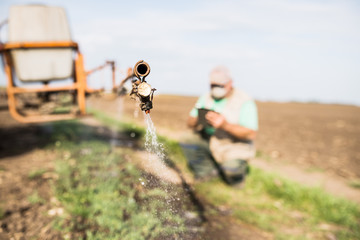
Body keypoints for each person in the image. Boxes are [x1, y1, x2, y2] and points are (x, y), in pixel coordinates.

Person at [187, 66, 258, 186]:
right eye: (213, 86)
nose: (215, 89)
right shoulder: (206, 97)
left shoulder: (244, 101)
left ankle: (236, 181)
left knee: (231, 169)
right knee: (187, 139)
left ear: (230, 83)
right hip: (210, 140)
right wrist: (199, 117)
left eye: (220, 86)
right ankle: (206, 173)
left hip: (234, 145)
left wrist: (225, 126)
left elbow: (250, 133)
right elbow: (189, 123)